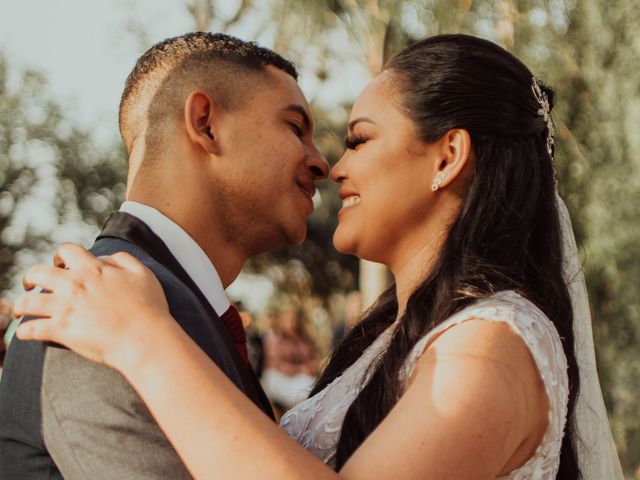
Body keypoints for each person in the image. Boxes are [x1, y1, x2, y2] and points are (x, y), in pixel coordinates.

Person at [12, 34, 623, 479]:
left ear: (446, 158)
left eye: (357, 138)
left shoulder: (492, 342)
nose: (330, 164)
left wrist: (145, 340)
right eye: (297, 128)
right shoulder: (95, 305)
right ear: (205, 123)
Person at [0, 32, 328, 479]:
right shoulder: (87, 311)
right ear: (206, 123)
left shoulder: (158, 309)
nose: (321, 162)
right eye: (295, 127)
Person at [261, 304, 320, 411]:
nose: (292, 322)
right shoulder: (275, 339)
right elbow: (275, 365)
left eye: (294, 318)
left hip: (299, 379)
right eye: (288, 318)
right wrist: (300, 369)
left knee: (309, 384)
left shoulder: (303, 338)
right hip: (281, 378)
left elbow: (311, 359)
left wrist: (311, 366)